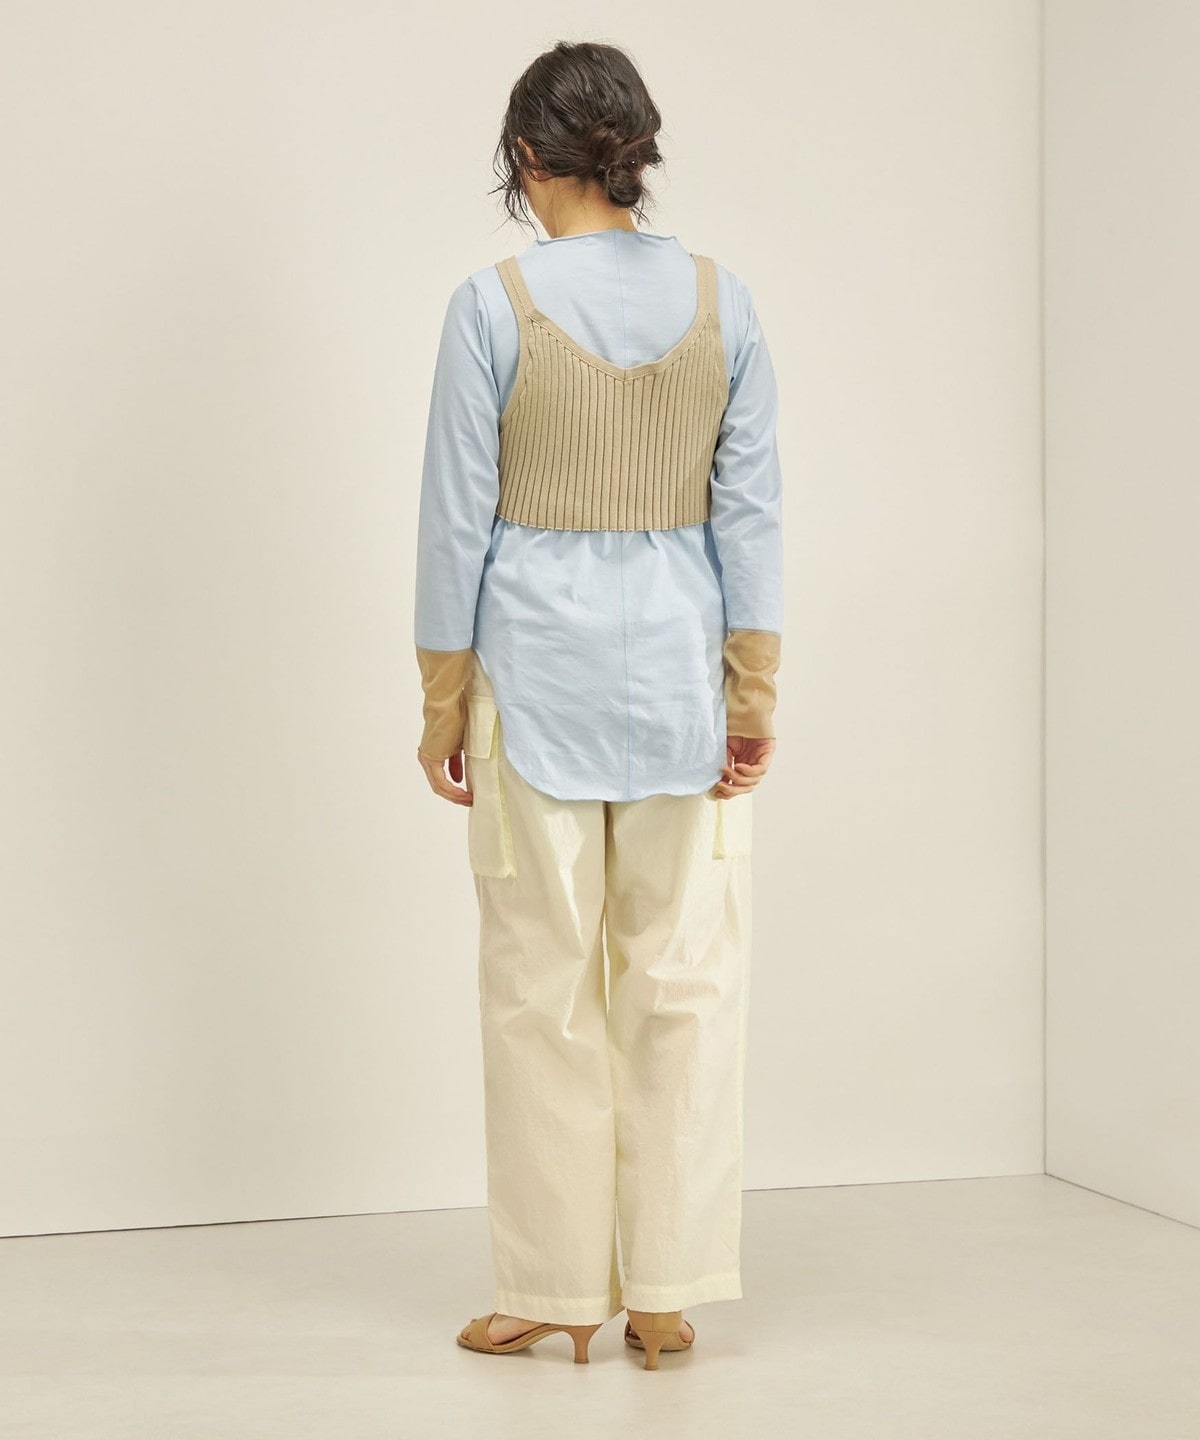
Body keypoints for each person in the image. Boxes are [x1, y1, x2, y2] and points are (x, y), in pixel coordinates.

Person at [413, 39, 782, 1370]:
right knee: (685, 984)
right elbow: (753, 517)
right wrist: (754, 692)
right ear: (636, 153)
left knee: (540, 988)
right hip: (683, 679)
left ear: (527, 156)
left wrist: (442, 699)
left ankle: (556, 1290)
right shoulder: (725, 301)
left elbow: (455, 522)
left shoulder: (492, 305)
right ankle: (667, 1291)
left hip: (534, 683)